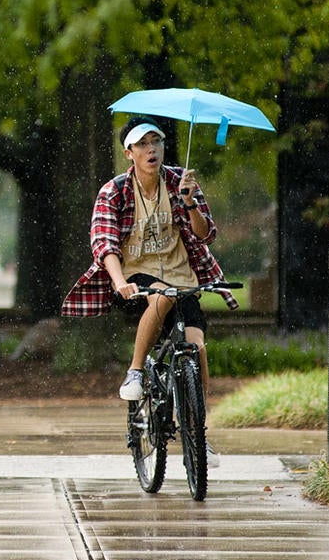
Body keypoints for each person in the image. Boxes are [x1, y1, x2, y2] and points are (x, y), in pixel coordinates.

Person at [61, 114, 238, 408]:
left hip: (181, 277)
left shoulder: (181, 183)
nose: (151, 149)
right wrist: (119, 283)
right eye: (142, 144)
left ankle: (197, 429)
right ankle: (135, 371)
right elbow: (105, 244)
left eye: (156, 141)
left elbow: (205, 235)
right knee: (162, 298)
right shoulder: (114, 192)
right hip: (135, 278)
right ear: (129, 154)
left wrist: (190, 203)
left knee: (198, 347)